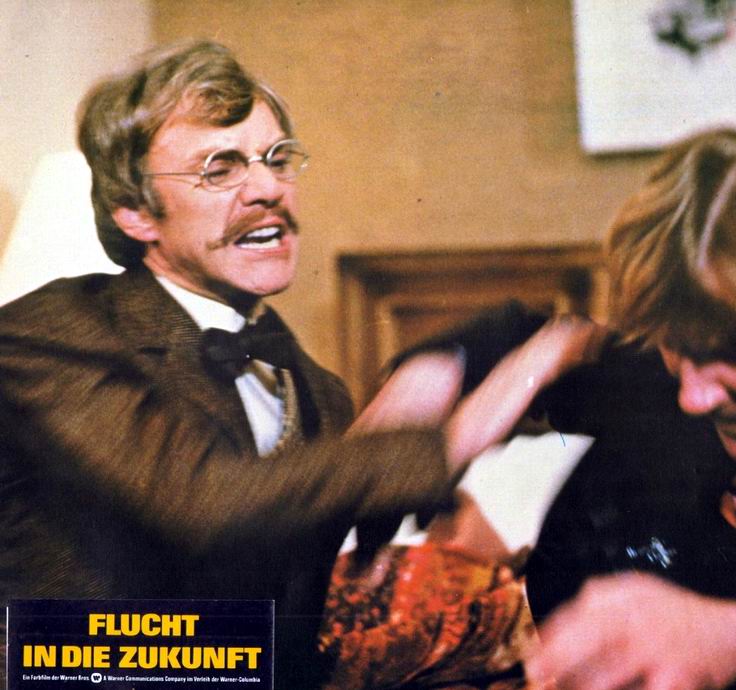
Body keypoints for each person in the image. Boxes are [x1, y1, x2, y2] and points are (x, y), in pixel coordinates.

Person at [0, 40, 596, 688]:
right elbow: (206, 502)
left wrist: (402, 427)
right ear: (136, 213)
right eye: (219, 169)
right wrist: (453, 437)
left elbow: (281, 622)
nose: (268, 189)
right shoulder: (47, 334)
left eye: (278, 159)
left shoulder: (316, 390)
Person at [420, 128, 736, 689]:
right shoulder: (666, 373)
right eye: (677, 348)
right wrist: (438, 371)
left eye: (729, 352)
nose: (694, 397)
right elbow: (516, 336)